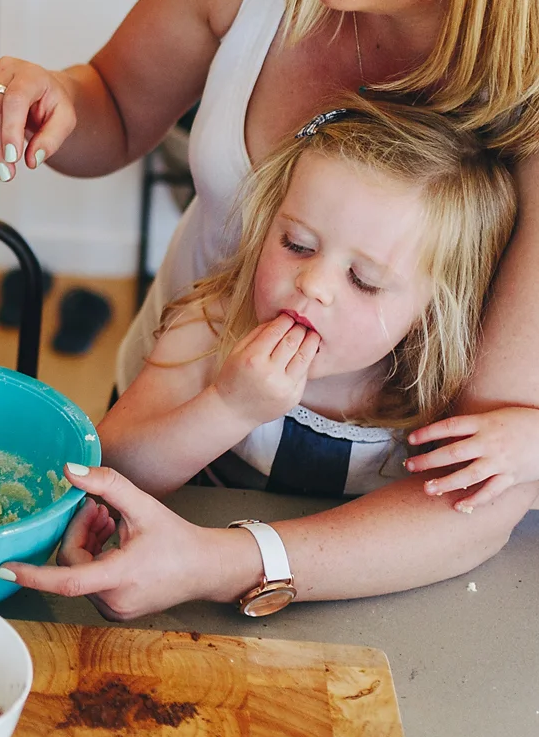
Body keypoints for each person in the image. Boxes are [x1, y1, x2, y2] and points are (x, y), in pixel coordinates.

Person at [0, 0, 539, 616]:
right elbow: (109, 103)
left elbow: (479, 488)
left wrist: (216, 562)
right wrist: (50, 100)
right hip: (178, 419)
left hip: (376, 546)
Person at [99, 99, 515, 502]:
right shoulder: (212, 328)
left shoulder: (444, 393)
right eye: (297, 244)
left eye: (363, 280)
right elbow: (111, 465)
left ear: (435, 312)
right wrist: (230, 408)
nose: (313, 283)